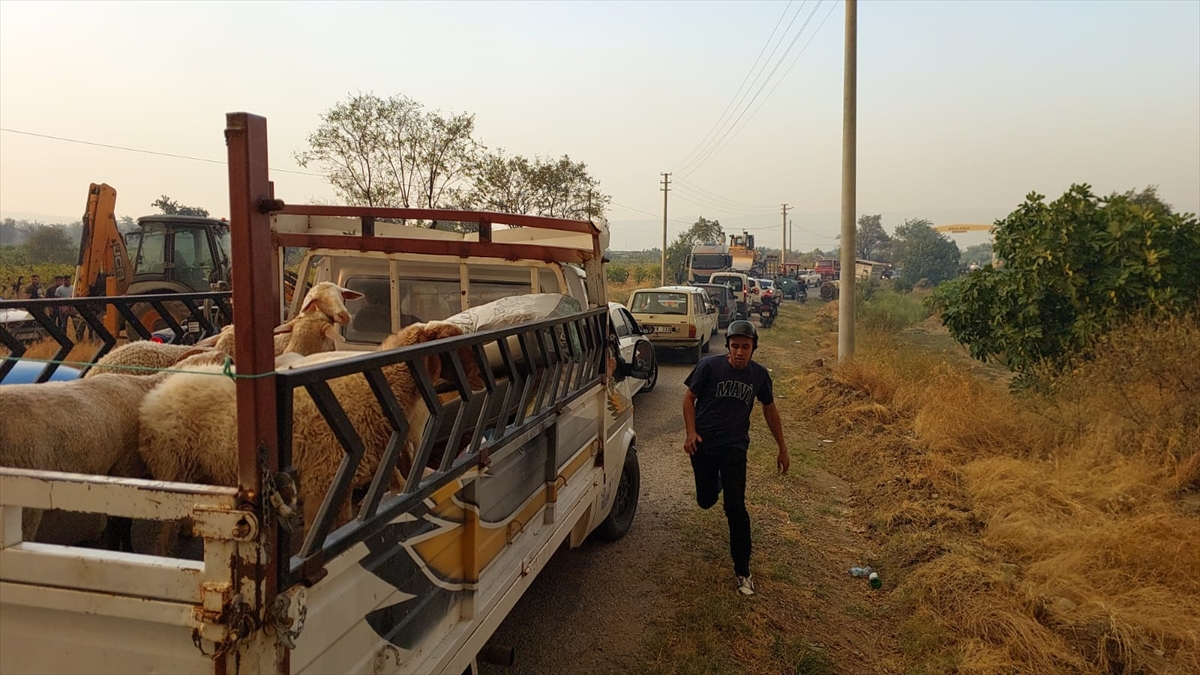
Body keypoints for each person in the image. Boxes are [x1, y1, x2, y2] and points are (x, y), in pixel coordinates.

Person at [682, 320, 789, 596]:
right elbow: (688, 399)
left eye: (745, 347)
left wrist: (782, 447)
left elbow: (769, 410)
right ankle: (715, 484)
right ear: (728, 346)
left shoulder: (759, 376)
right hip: (704, 446)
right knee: (706, 501)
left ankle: (743, 571)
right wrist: (691, 433)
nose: (740, 352)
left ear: (753, 348)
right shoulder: (709, 367)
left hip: (734, 449)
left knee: (736, 508)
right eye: (735, 346)